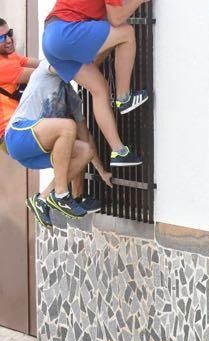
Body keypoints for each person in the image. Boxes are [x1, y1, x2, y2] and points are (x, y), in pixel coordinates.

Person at [42, 0, 150, 167]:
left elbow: (107, 15)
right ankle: (124, 97)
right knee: (126, 33)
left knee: (100, 90)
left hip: (51, 38)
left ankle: (119, 152)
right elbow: (116, 18)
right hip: (66, 31)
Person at [6, 61, 113, 221]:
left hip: (36, 154)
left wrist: (102, 171)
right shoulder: (46, 69)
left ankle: (42, 198)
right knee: (67, 126)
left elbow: (86, 137)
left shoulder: (72, 99)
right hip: (18, 136)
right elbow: (61, 62)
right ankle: (61, 194)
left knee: (85, 151)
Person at [0, 18, 38, 154]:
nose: (9, 40)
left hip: (22, 125)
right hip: (11, 133)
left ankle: (102, 173)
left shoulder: (10, 57)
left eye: (9, 33)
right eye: (1, 38)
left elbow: (41, 64)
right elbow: (39, 75)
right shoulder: (2, 65)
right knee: (66, 129)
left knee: (75, 152)